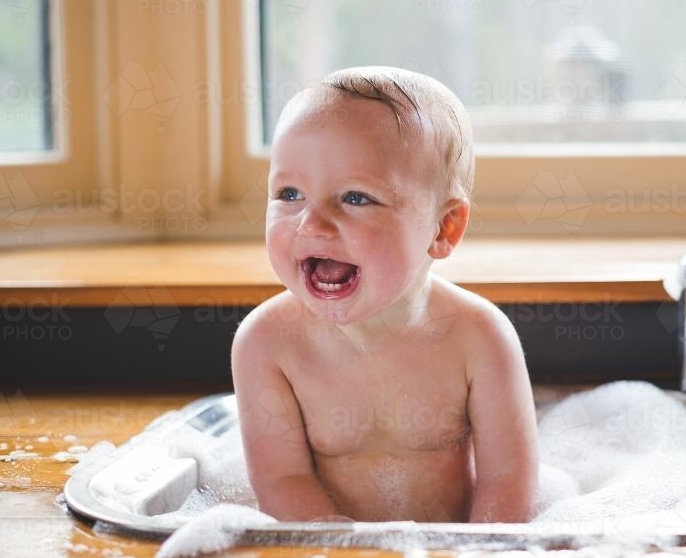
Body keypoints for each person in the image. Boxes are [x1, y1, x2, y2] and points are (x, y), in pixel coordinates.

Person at [231, 66, 539, 523]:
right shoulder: (266, 343)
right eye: (289, 192)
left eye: (355, 198)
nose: (311, 224)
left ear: (443, 228)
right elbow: (282, 482)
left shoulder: (478, 337)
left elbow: (508, 483)